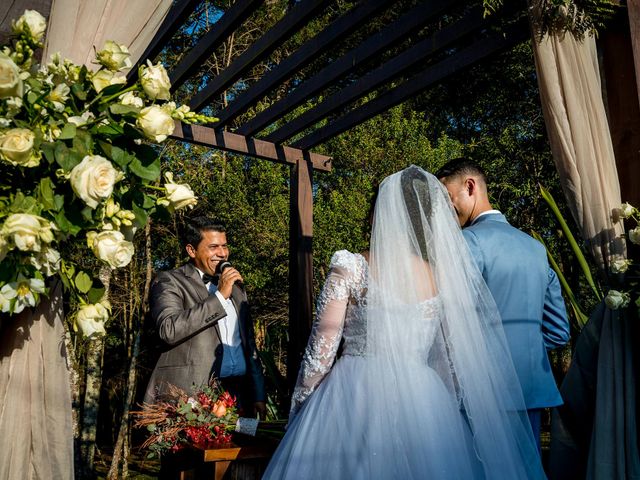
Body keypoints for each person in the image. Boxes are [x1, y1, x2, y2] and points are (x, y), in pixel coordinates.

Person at [263, 165, 545, 479]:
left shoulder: (351, 266)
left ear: (377, 216)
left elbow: (321, 352)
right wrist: (443, 411)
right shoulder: (442, 277)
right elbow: (448, 360)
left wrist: (301, 410)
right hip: (424, 397)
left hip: (354, 394)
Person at [436, 157, 570, 447]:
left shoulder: (467, 243)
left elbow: (449, 321)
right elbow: (559, 332)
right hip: (532, 390)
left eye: (447, 197)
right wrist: (523, 347)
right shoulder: (536, 249)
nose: (445, 209)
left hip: (483, 392)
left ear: (469, 187)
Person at [144, 217, 266, 418]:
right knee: (201, 450)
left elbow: (249, 345)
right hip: (192, 398)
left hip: (240, 396)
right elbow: (169, 330)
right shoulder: (169, 281)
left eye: (225, 246)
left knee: (245, 448)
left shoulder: (236, 287)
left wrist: (258, 395)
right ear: (191, 250)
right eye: (213, 247)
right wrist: (219, 298)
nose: (222, 253)